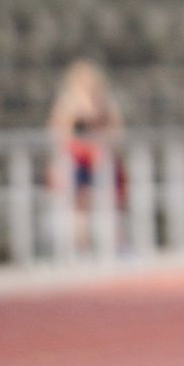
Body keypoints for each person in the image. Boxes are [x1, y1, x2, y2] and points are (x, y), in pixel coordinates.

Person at [47, 59, 125, 253]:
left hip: (101, 161)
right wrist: (80, 112)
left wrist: (98, 114)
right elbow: (59, 133)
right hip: (77, 162)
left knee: (109, 202)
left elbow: (116, 132)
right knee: (78, 206)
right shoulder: (67, 103)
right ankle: (81, 246)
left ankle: (114, 244)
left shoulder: (105, 102)